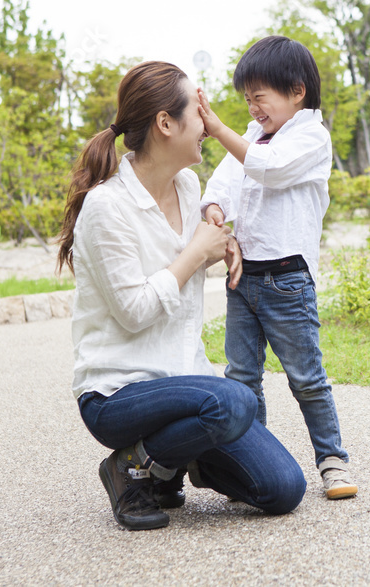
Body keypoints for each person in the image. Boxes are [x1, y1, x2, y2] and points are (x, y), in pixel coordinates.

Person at [57, 60, 306, 531]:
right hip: (118, 393)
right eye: (199, 112)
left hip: (186, 384)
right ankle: (130, 464)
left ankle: (170, 463)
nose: (209, 126)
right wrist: (196, 253)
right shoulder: (108, 207)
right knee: (235, 401)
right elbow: (133, 312)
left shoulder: (188, 185)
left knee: (282, 488)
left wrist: (221, 246)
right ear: (165, 124)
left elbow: (190, 257)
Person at [197, 36, 357, 499]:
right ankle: (254, 461)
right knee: (242, 378)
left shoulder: (310, 137)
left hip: (287, 278)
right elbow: (224, 180)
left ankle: (332, 460)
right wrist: (213, 208)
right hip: (242, 279)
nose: (252, 109)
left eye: (259, 97)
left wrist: (218, 127)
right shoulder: (251, 136)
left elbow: (271, 169)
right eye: (246, 99)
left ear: (297, 91)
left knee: (307, 380)